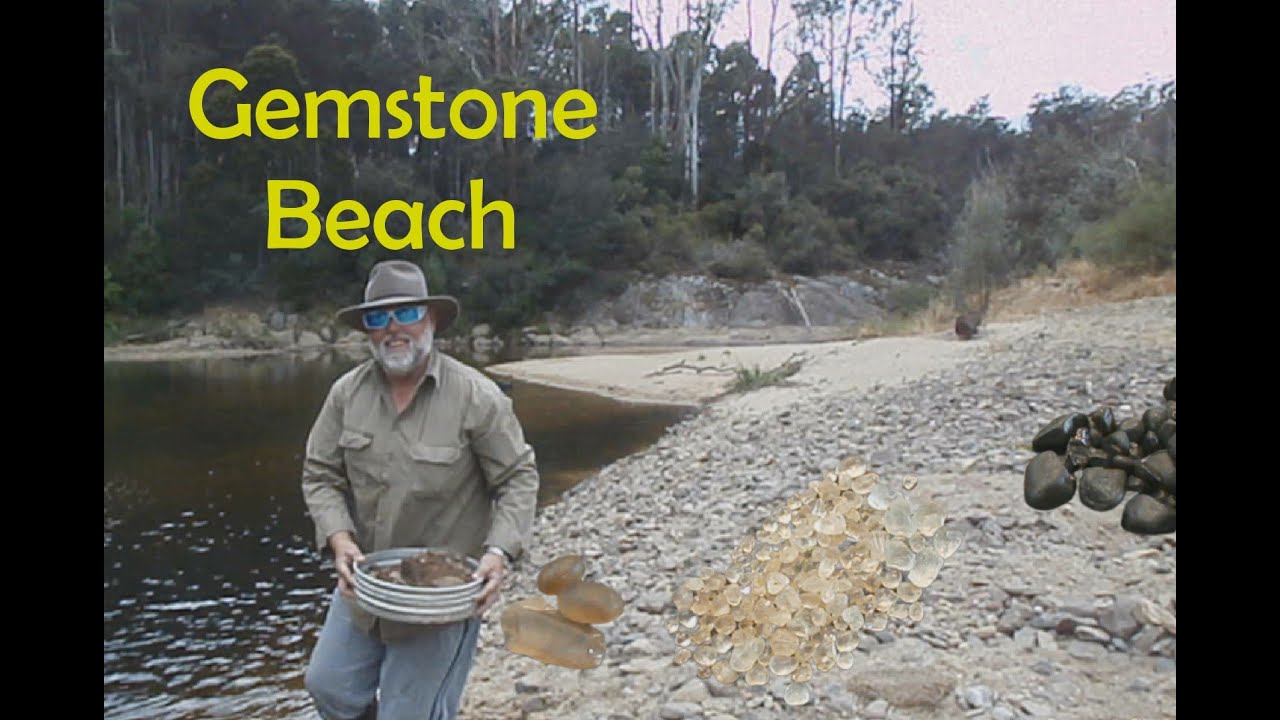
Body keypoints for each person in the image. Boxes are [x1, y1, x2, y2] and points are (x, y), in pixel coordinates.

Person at [300, 259, 540, 720]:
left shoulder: (477, 397)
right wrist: (339, 539)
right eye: (378, 318)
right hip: (367, 583)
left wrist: (498, 553)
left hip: (442, 597)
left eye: (406, 313)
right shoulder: (345, 395)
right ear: (367, 330)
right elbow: (320, 473)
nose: (393, 328)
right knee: (329, 687)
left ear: (430, 320)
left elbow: (518, 478)